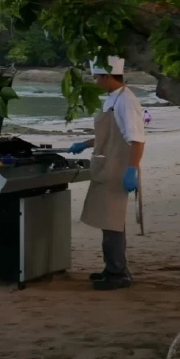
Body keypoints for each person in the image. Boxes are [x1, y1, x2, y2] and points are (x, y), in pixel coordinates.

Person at [69, 57, 145, 291]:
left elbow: (137, 140)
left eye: (96, 77)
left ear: (107, 76)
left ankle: (118, 273)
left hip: (119, 167)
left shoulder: (127, 101)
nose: (95, 81)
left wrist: (131, 170)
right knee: (108, 221)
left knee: (112, 222)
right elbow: (109, 134)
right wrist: (85, 143)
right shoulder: (113, 98)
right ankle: (111, 267)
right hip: (107, 163)